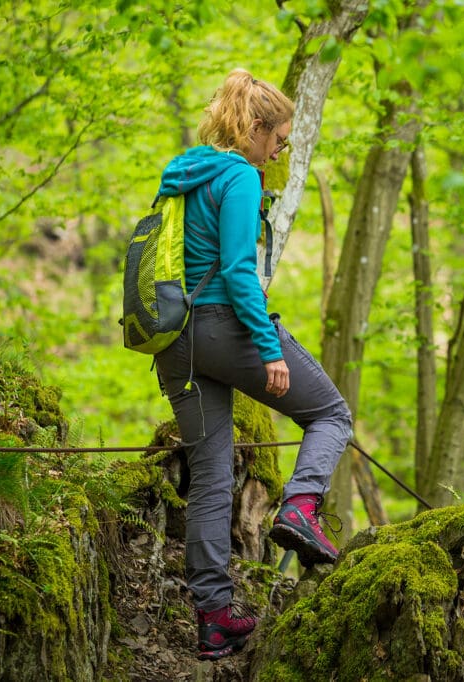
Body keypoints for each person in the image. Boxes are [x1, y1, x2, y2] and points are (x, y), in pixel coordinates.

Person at [152, 68, 352, 661]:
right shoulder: (239, 175)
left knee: (212, 477)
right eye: (280, 139)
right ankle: (300, 509)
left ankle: (214, 619)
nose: (280, 150)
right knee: (332, 414)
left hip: (174, 339)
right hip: (223, 325)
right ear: (256, 127)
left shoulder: (184, 176)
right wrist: (268, 347)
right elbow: (239, 270)